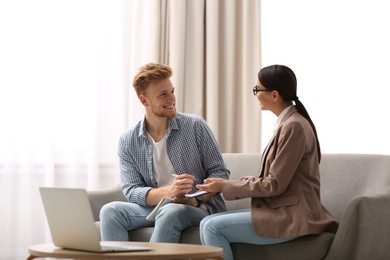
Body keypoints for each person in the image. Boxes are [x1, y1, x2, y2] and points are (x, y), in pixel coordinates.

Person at [197, 65, 339, 260]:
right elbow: (280, 178)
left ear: (274, 95)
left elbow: (275, 185)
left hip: (293, 216)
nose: (255, 95)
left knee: (213, 227)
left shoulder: (293, 126)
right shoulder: (288, 123)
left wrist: (224, 185)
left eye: (257, 89)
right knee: (207, 223)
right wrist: (249, 180)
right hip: (282, 210)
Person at [99, 62, 230, 243]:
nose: (172, 99)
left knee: (170, 212)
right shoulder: (127, 140)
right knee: (110, 211)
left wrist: (197, 199)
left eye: (172, 92)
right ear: (144, 100)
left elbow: (220, 172)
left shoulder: (195, 126)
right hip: (154, 207)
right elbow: (132, 190)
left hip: (199, 207)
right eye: (163, 94)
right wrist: (169, 191)